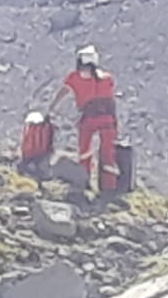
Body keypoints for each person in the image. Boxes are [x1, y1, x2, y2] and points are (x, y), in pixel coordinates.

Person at [50, 45, 119, 195]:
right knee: (107, 153)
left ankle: (84, 180)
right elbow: (111, 100)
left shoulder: (74, 78)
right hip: (107, 119)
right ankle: (109, 187)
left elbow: (64, 91)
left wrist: (52, 107)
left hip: (89, 119)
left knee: (85, 150)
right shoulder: (107, 78)